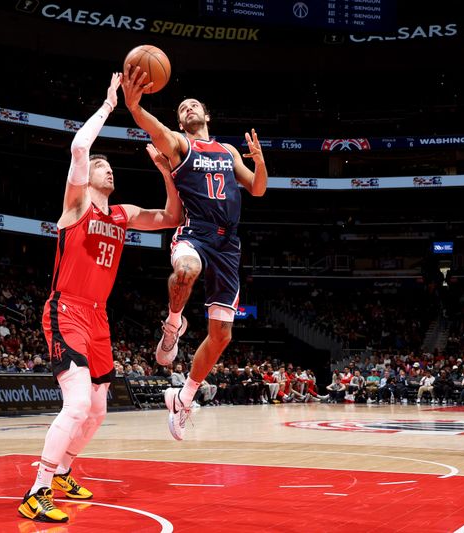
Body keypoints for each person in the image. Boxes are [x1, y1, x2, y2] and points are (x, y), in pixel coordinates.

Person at [18, 73, 183, 524]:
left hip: (98, 317)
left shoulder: (122, 214)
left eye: (110, 166)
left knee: (98, 407)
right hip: (66, 308)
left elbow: (172, 216)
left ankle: (65, 469)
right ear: (86, 176)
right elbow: (78, 148)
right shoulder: (76, 206)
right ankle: (38, 490)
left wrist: (167, 172)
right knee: (75, 404)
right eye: (100, 166)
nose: (107, 168)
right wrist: (110, 105)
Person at [121, 65, 268, 440]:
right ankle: (173, 324)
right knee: (185, 270)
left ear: (206, 114)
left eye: (193, 106)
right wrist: (136, 107)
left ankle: (183, 398)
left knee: (221, 336)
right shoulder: (180, 145)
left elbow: (258, 189)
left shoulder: (228, 150)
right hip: (194, 233)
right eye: (181, 107)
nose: (187, 109)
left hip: (228, 245)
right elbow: (155, 129)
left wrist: (259, 161)